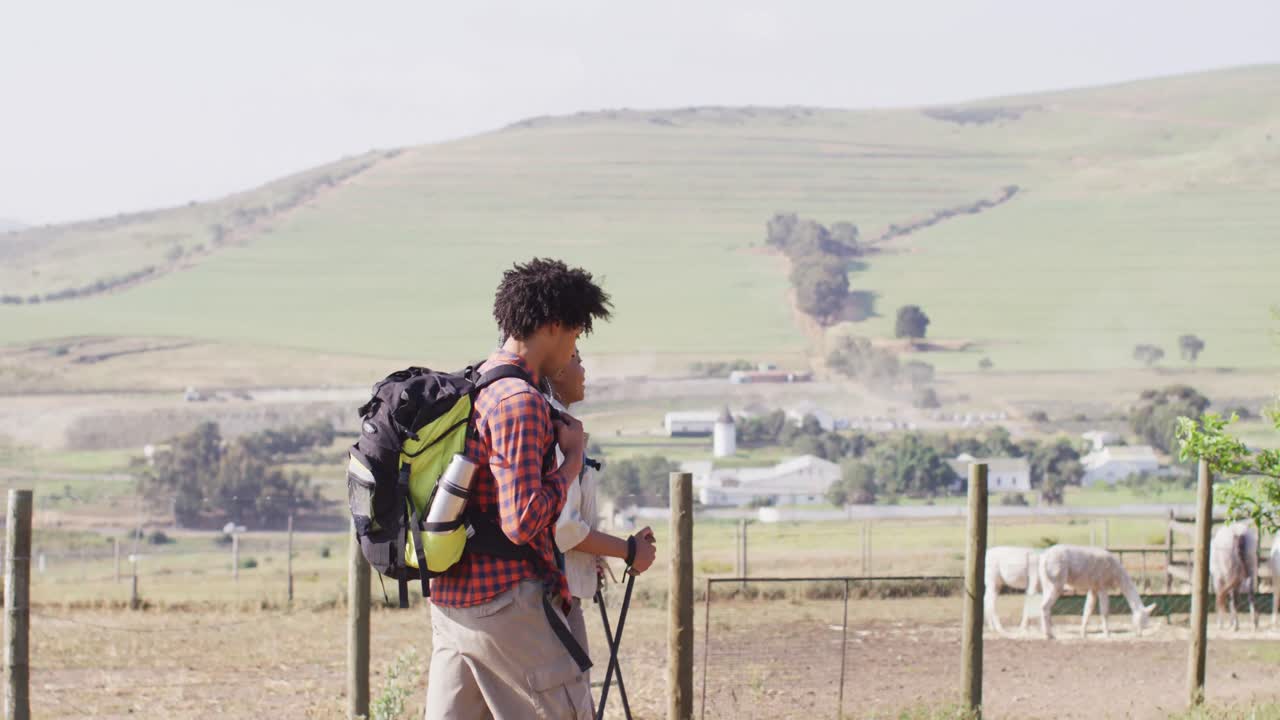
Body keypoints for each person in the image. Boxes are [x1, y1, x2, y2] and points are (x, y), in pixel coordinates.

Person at [425, 258, 611, 720]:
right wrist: (570, 462)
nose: (573, 351)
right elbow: (522, 519)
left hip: (451, 604)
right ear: (552, 326)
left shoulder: (479, 381)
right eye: (574, 335)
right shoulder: (520, 401)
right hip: (505, 605)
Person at [544, 348, 657, 702]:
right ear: (558, 369)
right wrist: (630, 551)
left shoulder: (553, 422)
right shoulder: (557, 427)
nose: (583, 369)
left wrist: (598, 552)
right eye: (576, 358)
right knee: (571, 703)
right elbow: (565, 531)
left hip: (555, 589)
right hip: (554, 596)